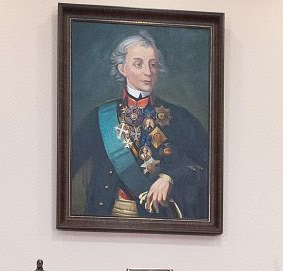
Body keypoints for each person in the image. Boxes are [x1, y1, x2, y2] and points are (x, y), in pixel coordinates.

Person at [68, 30, 210, 221]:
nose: (148, 72)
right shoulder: (99, 117)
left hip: (159, 222)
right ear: (122, 69)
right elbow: (67, 165)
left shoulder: (180, 118)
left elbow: (205, 168)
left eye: (153, 64)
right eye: (138, 64)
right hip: (105, 219)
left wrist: (170, 178)